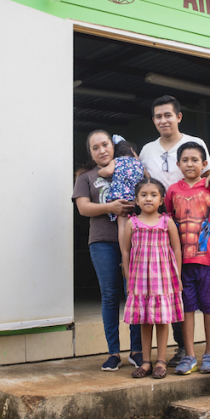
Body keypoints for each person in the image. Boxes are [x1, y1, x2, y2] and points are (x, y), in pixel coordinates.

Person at [139, 95, 210, 365]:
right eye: (158, 116)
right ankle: (186, 352)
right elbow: (150, 193)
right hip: (171, 233)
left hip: (204, 241)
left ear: (178, 117)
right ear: (154, 120)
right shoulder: (147, 151)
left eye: (168, 115)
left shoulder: (196, 144)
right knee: (180, 298)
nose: (163, 120)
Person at [72, 129, 143, 371]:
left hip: (135, 241)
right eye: (95, 147)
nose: (102, 150)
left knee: (133, 293)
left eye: (105, 145)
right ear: (91, 153)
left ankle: (137, 350)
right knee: (111, 294)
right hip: (102, 241)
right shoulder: (86, 177)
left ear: (113, 147)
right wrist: (110, 206)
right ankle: (113, 352)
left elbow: (149, 193)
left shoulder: (132, 165)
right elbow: (83, 208)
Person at [165, 142, 210, 375]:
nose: (189, 164)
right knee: (186, 309)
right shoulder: (172, 191)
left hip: (208, 262)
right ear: (178, 164)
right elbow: (169, 225)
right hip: (181, 264)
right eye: (185, 160)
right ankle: (189, 355)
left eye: (195, 160)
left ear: (204, 164)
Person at [121, 177, 184, 379]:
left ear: (162, 199)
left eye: (154, 195)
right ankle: (146, 361)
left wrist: (178, 276)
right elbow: (125, 251)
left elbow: (176, 249)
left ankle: (161, 361)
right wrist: (129, 278)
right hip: (140, 280)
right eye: (144, 195)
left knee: (162, 320)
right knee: (145, 321)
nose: (149, 199)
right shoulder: (132, 223)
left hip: (163, 279)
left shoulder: (167, 222)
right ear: (137, 200)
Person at [97, 137, 144, 243]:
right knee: (137, 226)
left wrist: (99, 172)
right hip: (137, 199)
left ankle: (125, 255)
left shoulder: (116, 161)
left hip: (121, 199)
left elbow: (108, 172)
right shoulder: (139, 164)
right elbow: (148, 177)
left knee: (122, 227)